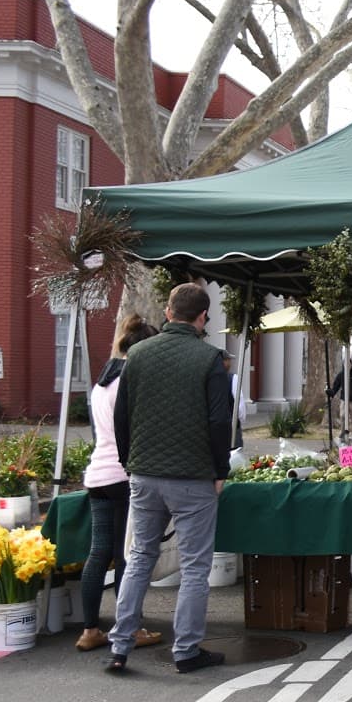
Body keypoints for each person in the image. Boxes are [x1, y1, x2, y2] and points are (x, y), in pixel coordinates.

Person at [105, 283, 232, 674]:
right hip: (192, 476)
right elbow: (218, 420)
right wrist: (219, 470)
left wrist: (130, 461)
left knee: (140, 557)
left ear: (167, 311)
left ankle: (120, 646)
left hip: (144, 473)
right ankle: (186, 650)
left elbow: (121, 416)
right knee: (195, 566)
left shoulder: (137, 354)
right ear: (203, 317)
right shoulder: (210, 359)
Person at [76, 315, 163, 653]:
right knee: (129, 554)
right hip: (125, 475)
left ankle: (89, 629)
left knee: (98, 553)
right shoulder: (132, 379)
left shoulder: (102, 380)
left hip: (97, 474)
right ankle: (132, 627)